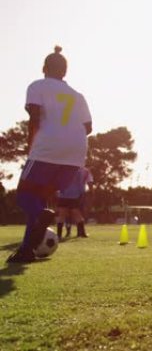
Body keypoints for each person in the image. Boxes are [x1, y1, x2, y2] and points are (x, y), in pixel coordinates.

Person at [7, 46, 92, 263]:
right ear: (65, 72)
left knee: (25, 197)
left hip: (48, 147)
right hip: (76, 152)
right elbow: (88, 127)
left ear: (44, 68)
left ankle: (43, 216)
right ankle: (27, 250)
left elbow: (34, 116)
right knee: (38, 199)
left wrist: (31, 145)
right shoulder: (78, 95)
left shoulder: (37, 86)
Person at [56, 167, 93, 238]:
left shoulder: (63, 168)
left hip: (63, 194)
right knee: (77, 214)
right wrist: (91, 194)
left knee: (62, 215)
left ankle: (59, 235)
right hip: (76, 195)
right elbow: (90, 183)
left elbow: (57, 181)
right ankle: (82, 233)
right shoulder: (85, 171)